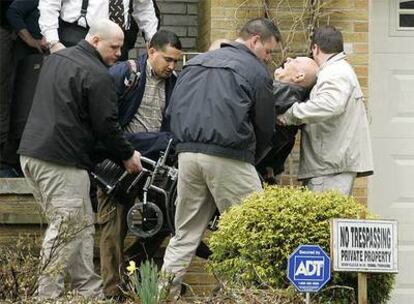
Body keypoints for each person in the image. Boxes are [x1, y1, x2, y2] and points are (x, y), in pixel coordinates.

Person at [18, 19, 142, 300]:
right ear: (95, 41)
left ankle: (89, 290)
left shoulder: (57, 60)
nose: (119, 54)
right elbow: (107, 126)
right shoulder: (97, 74)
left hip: (32, 154)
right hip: (61, 160)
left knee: (81, 224)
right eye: (115, 47)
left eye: (121, 47)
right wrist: (127, 155)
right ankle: (46, 296)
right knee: (66, 227)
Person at [160, 18, 281, 299]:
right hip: (230, 156)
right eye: (269, 51)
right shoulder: (254, 70)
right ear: (254, 40)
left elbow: (172, 110)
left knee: (185, 233)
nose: (269, 57)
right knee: (254, 229)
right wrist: (254, 158)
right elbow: (265, 126)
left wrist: (184, 145)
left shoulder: (195, 64)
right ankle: (240, 296)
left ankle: (161, 295)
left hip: (188, 155)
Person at [97, 29, 182, 300]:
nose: (171, 66)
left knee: (164, 222)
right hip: (119, 161)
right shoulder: (126, 74)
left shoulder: (175, 82)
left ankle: (127, 270)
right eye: (167, 59)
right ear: (151, 50)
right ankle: (113, 292)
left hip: (153, 166)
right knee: (114, 225)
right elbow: (104, 119)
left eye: (176, 61)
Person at [277, 25, 374, 196]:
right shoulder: (340, 70)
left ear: (315, 48)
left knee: (323, 221)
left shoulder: (334, 72)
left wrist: (290, 115)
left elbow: (329, 104)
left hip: (329, 166)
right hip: (332, 164)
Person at [257, 56, 319, 183]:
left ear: (299, 77)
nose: (288, 59)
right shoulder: (289, 98)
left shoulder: (281, 94)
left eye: (295, 61)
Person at [39, 0, 159, 59]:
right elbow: (49, 3)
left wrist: (154, 42)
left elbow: (144, 8)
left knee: (111, 95)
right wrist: (53, 42)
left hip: (118, 44)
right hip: (80, 38)